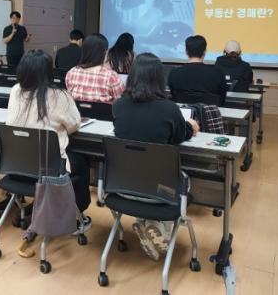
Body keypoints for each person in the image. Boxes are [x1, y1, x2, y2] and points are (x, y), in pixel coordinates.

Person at [113, 52, 200, 261]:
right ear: (159, 78)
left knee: (145, 170)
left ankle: (147, 223)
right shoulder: (169, 109)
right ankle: (158, 228)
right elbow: (179, 136)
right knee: (176, 179)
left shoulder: (118, 106)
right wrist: (191, 126)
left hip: (122, 187)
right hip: (161, 192)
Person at [6, 50, 92, 232]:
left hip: (18, 167)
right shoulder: (59, 96)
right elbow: (74, 125)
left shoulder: (15, 91)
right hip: (49, 170)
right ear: (48, 72)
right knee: (83, 161)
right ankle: (76, 215)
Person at [168, 35, 227, 105]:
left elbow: (174, 98)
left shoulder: (174, 74)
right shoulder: (217, 74)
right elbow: (222, 100)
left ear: (186, 52)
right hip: (210, 112)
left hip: (182, 111)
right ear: (205, 52)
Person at [65, 34, 125, 103]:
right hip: (104, 110)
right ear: (104, 52)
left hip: (76, 110)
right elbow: (121, 102)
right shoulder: (111, 76)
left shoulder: (71, 73)